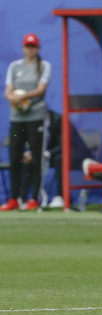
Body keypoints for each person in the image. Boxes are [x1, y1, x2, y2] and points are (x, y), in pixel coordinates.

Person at [1, 33, 50, 212]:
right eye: (27, 46)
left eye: (33, 46)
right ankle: (14, 198)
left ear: (37, 48)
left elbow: (40, 89)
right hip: (17, 118)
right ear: (23, 48)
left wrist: (22, 97)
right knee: (15, 157)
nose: (30, 49)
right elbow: (8, 91)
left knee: (36, 158)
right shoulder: (15, 67)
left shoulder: (43, 66)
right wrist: (12, 97)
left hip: (35, 117)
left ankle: (34, 199)